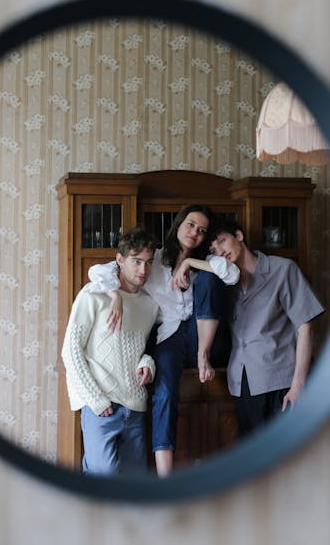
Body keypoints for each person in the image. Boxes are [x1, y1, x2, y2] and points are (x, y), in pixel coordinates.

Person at [85, 204, 239, 477]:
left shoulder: (205, 260)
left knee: (208, 280)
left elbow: (231, 273)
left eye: (202, 231)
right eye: (190, 224)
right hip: (167, 335)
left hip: (200, 337)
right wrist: (115, 295)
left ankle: (203, 356)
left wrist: (191, 263)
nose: (194, 233)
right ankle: (164, 476)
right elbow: (100, 272)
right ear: (179, 224)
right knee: (165, 392)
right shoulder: (152, 259)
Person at [205, 216, 324, 436]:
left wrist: (298, 385)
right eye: (213, 250)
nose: (219, 252)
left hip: (282, 381)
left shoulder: (283, 269)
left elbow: (305, 326)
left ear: (239, 236)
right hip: (242, 383)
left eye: (222, 241)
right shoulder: (223, 284)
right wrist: (186, 263)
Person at [61, 227, 159, 476]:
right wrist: (96, 399)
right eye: (136, 261)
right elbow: (70, 351)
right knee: (101, 478)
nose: (143, 270)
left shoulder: (150, 305)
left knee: (135, 486)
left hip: (135, 406)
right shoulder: (92, 295)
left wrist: (147, 363)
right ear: (119, 260)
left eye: (148, 262)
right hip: (102, 406)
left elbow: (144, 349)